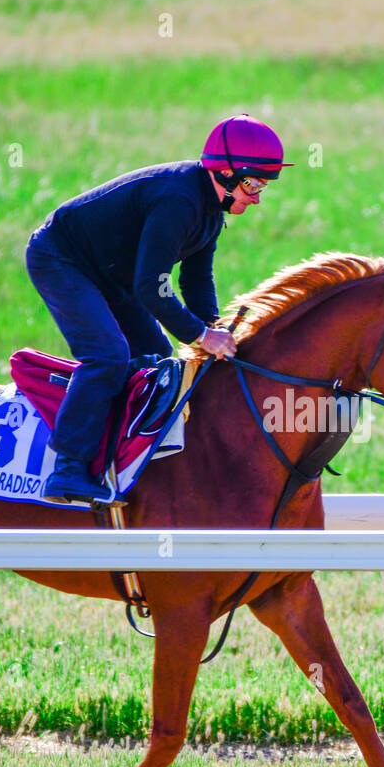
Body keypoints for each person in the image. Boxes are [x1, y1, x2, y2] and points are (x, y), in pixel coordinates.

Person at [25, 115, 292, 503]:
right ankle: (67, 468)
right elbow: (151, 287)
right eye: (252, 184)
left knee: (155, 357)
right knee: (108, 356)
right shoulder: (179, 201)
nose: (257, 197)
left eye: (263, 186)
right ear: (227, 173)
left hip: (114, 271)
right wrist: (203, 336)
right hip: (62, 258)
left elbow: (195, 283)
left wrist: (218, 332)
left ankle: (116, 455)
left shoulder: (210, 213)